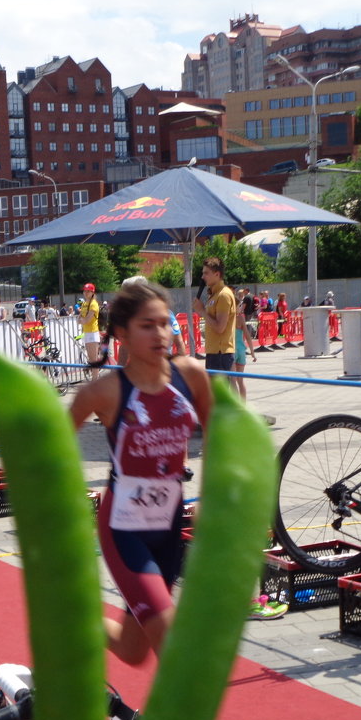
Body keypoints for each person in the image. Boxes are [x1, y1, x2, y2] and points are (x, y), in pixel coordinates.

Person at [70, 282, 213, 666]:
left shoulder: (193, 376)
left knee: (135, 652)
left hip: (168, 524)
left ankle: (76, 620)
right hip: (123, 528)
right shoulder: (103, 392)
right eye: (148, 326)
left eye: (165, 323)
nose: (161, 334)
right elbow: (54, 448)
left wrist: (214, 499)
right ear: (122, 333)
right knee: (172, 641)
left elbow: (221, 442)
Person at [192, 257, 236, 386]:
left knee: (220, 397)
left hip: (221, 353)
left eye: (206, 273)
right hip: (214, 352)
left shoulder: (223, 295)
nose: (202, 276)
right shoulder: (214, 295)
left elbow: (220, 328)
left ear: (217, 274)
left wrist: (202, 312)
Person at [79, 283, 101, 380]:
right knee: (90, 358)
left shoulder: (93, 304)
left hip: (92, 332)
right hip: (87, 332)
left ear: (92, 292)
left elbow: (86, 320)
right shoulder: (84, 303)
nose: (86, 293)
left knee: (93, 359)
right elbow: (79, 319)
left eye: (88, 291)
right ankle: (94, 379)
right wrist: (82, 320)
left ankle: (95, 380)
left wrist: (82, 320)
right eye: (85, 291)